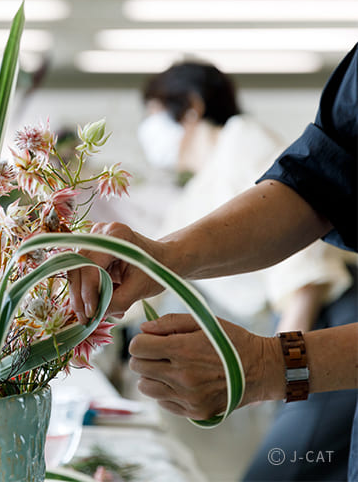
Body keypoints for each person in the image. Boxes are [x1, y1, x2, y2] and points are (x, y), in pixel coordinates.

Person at [69, 44, 357, 477]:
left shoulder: (243, 140)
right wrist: (158, 260)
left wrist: (272, 367)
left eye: (152, 113)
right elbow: (317, 183)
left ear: (190, 109)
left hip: (323, 330)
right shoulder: (199, 184)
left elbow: (304, 277)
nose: (148, 130)